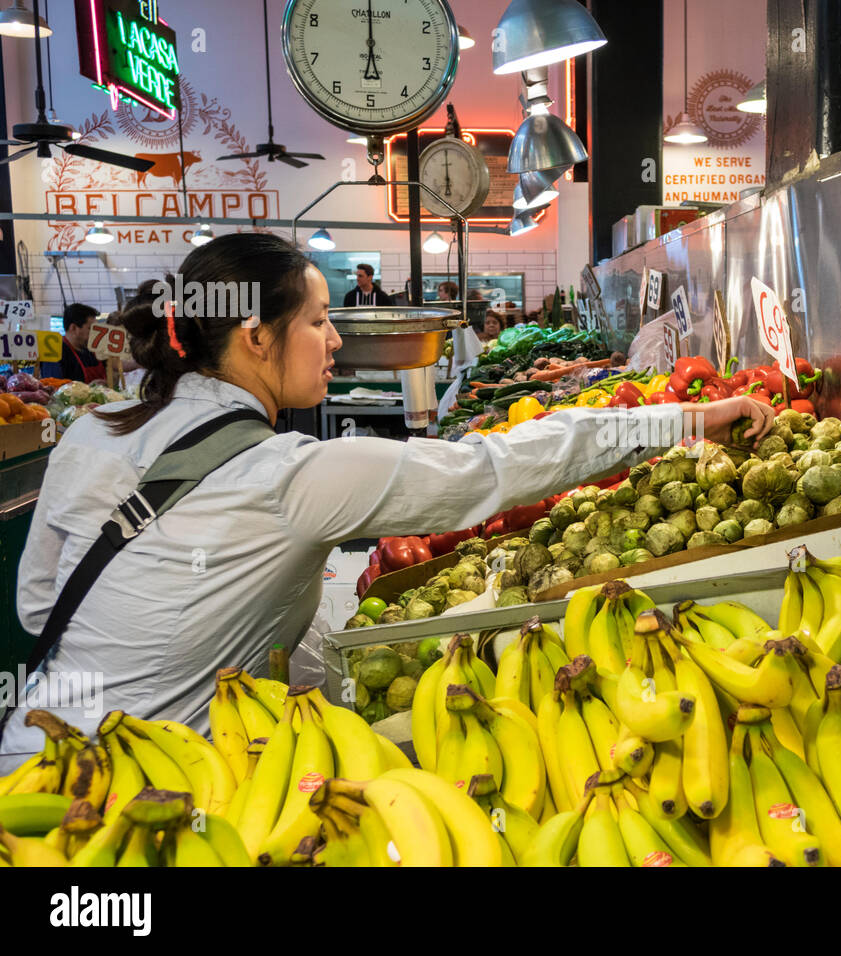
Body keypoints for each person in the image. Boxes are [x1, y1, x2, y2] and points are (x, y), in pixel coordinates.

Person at [0, 233, 772, 763]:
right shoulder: (288, 477)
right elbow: (488, 469)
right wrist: (684, 418)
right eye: (317, 319)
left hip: (27, 766)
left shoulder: (93, 430)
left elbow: (40, 606)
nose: (334, 338)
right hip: (146, 791)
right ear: (255, 337)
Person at [40, 303, 106, 383]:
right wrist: (89, 389)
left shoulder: (90, 351)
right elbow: (53, 389)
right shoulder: (55, 352)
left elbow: (113, 365)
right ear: (73, 328)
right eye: (90, 328)